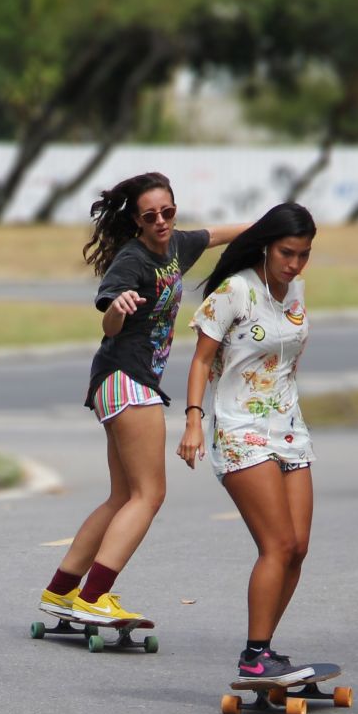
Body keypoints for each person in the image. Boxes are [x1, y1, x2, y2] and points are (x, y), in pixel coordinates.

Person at [39, 171, 247, 623]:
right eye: (150, 216)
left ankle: (60, 591)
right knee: (149, 495)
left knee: (123, 497)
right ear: (136, 220)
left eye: (167, 212)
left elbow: (221, 234)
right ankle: (94, 597)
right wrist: (116, 309)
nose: (161, 222)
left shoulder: (177, 246)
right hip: (126, 379)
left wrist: (273, 227)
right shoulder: (130, 261)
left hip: (120, 383)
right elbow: (108, 323)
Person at [176, 202, 317, 680]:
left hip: (289, 428)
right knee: (275, 543)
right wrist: (194, 420)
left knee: (297, 547)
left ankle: (264, 652)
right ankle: (255, 653)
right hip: (239, 428)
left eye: (303, 254)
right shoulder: (235, 292)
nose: (294, 264)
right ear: (265, 246)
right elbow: (200, 362)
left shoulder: (295, 290)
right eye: (286, 252)